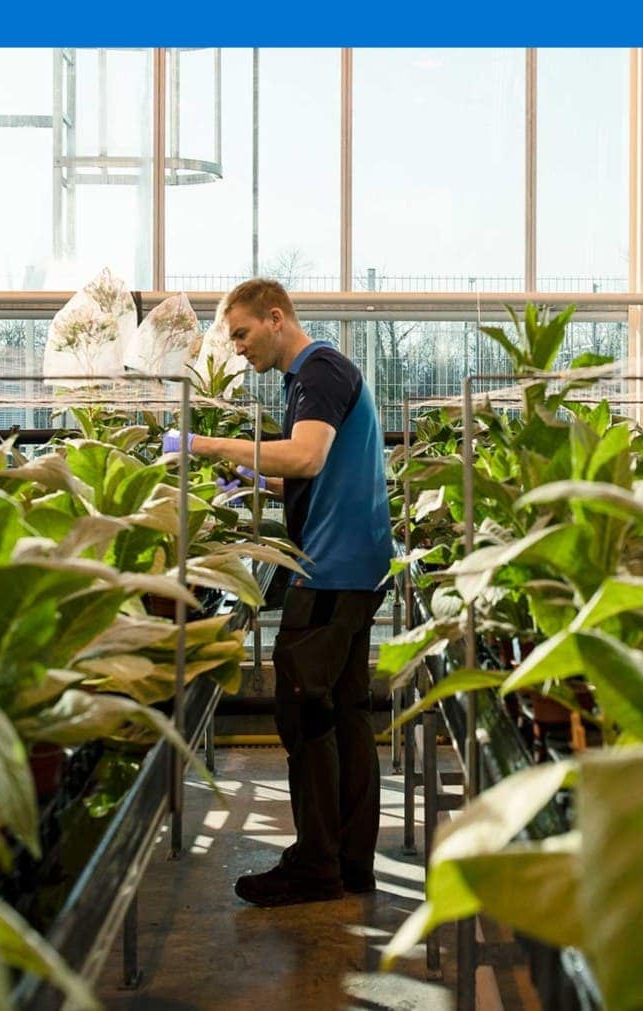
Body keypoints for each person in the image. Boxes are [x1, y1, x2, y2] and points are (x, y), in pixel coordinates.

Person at [162, 278, 393, 907]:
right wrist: (259, 484)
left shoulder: (317, 370)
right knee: (344, 715)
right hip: (355, 561)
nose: (237, 350)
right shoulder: (317, 376)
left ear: (274, 317)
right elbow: (322, 470)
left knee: (304, 712)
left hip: (331, 568)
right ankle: (351, 863)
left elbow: (308, 457)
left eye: (241, 334)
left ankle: (316, 865)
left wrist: (200, 443)